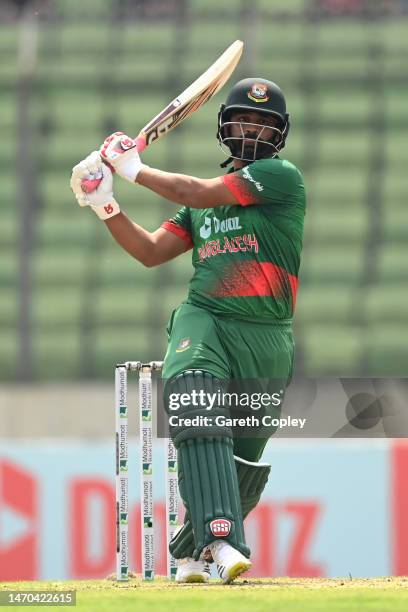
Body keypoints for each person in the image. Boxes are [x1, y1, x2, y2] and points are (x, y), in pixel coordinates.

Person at [70, 78, 306, 584]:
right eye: (244, 120)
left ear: (279, 135)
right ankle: (222, 542)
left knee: (243, 461)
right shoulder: (202, 209)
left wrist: (133, 168)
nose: (252, 130)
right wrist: (105, 203)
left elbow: (194, 189)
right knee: (196, 403)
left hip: (268, 338)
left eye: (264, 123)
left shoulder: (281, 178)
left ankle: (191, 551)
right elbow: (152, 251)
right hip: (206, 320)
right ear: (225, 128)